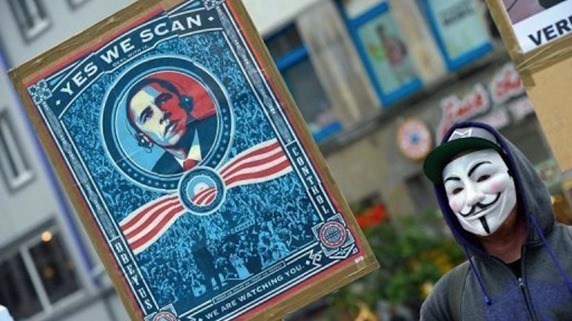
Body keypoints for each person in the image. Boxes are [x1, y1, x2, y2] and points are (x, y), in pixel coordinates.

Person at [420, 121, 572, 320]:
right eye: (457, 189)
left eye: (483, 177)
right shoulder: (445, 302)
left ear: (516, 176)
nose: (473, 197)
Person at [126, 74, 217, 175]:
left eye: (163, 100)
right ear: (144, 138)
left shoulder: (221, 128)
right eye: (147, 116)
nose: (162, 114)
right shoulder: (159, 174)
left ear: (182, 100)